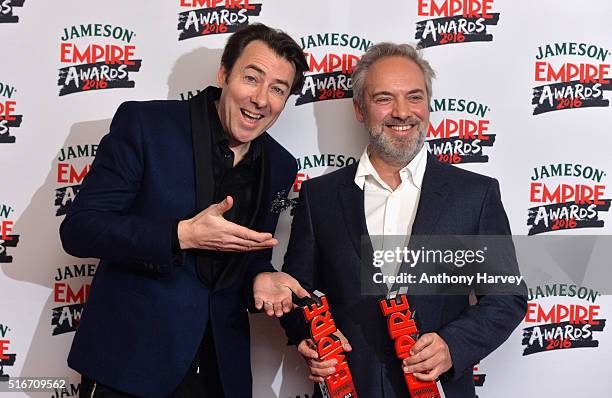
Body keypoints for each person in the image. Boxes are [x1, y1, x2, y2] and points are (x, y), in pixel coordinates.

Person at [60, 23, 309, 398]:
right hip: (130, 363)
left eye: (278, 89)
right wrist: (181, 235)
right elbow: (80, 229)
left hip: (218, 373)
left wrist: (261, 277)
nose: (261, 98)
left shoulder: (280, 165)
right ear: (224, 73)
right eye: (251, 78)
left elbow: (251, 258)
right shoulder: (146, 125)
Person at [280, 42, 527, 397]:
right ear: (360, 109)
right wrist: (308, 337)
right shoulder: (320, 197)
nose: (402, 112)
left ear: (428, 105)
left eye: (414, 97)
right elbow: (297, 293)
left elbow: (506, 297)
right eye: (384, 98)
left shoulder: (474, 195)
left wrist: (451, 345)